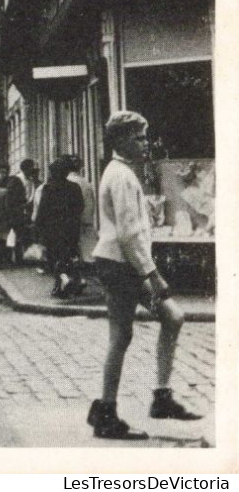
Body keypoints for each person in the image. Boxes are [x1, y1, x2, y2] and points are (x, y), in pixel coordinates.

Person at [88, 111, 202, 440]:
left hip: (124, 264)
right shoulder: (121, 175)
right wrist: (152, 275)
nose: (144, 143)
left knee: (173, 317)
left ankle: (161, 398)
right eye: (138, 137)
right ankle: (106, 413)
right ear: (121, 139)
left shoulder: (121, 172)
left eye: (144, 136)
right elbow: (127, 234)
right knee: (121, 336)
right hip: (121, 265)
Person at [34, 158, 84, 297]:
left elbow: (42, 210)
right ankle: (61, 285)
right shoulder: (74, 187)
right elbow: (80, 208)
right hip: (70, 230)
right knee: (67, 257)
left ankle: (63, 280)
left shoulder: (48, 188)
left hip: (52, 230)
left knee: (54, 259)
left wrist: (38, 229)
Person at [66, 154, 97, 265]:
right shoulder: (85, 183)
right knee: (86, 244)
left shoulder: (65, 182)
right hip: (83, 218)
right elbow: (89, 203)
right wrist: (88, 219)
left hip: (69, 220)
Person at [6, 158, 38, 266]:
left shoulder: (31, 180)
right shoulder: (16, 180)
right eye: (31, 168)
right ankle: (19, 260)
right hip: (19, 213)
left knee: (25, 235)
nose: (32, 171)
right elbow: (11, 200)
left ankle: (26, 258)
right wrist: (20, 207)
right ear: (25, 169)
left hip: (28, 212)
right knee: (18, 236)